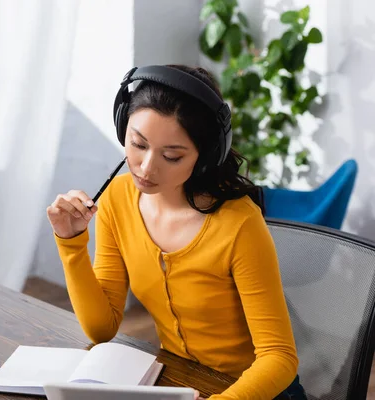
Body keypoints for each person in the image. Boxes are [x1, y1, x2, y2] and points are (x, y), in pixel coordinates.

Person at [46, 64, 307, 400]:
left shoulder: (240, 225)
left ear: (204, 157)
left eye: (171, 156)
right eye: (138, 144)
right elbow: (101, 328)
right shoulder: (117, 198)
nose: (146, 167)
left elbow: (279, 357)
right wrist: (71, 244)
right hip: (179, 384)